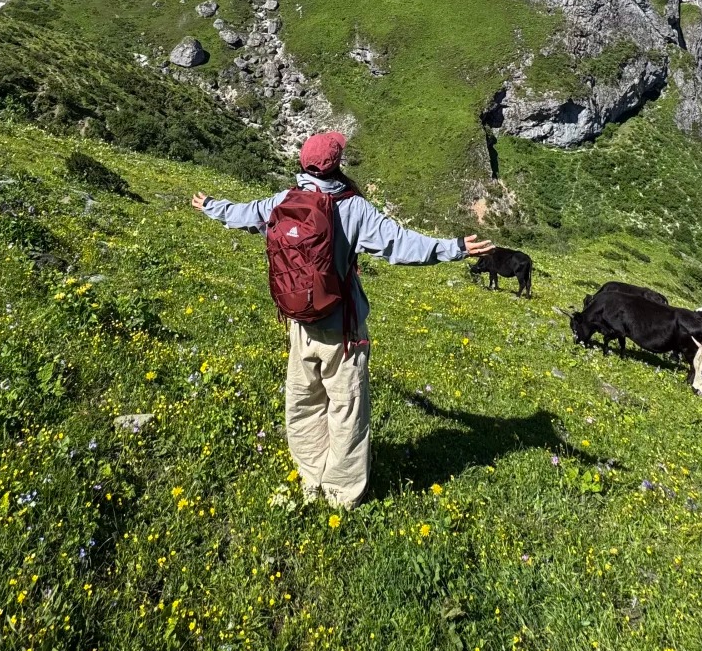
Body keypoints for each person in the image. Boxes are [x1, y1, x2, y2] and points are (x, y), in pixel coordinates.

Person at [191, 130, 494, 508]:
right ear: (337, 165)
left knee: (303, 402)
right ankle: (340, 494)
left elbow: (243, 214)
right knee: (346, 410)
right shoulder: (353, 208)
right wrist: (454, 248)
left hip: (299, 323)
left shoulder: (283, 201)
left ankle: (309, 476)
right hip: (343, 329)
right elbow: (400, 244)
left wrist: (211, 205)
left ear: (303, 163)